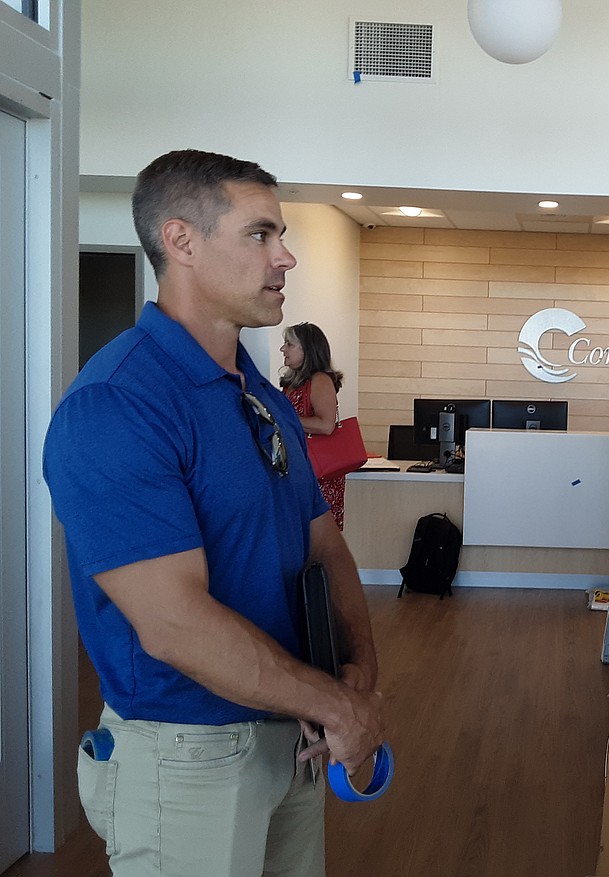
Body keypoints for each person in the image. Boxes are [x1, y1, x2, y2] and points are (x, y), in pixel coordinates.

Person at [43, 149, 386, 877]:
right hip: (188, 756)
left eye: (281, 234)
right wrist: (333, 701)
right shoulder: (116, 404)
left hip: (292, 733)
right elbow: (172, 623)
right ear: (181, 241)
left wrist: (356, 675)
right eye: (261, 235)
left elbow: (325, 547)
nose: (285, 257)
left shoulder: (257, 392)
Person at [281, 322, 347, 530]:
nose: (283, 349)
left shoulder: (320, 380)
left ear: (307, 350)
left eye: (289, 344)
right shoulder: (292, 383)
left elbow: (326, 425)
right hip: (297, 470)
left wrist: (283, 419)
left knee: (317, 540)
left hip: (318, 475)